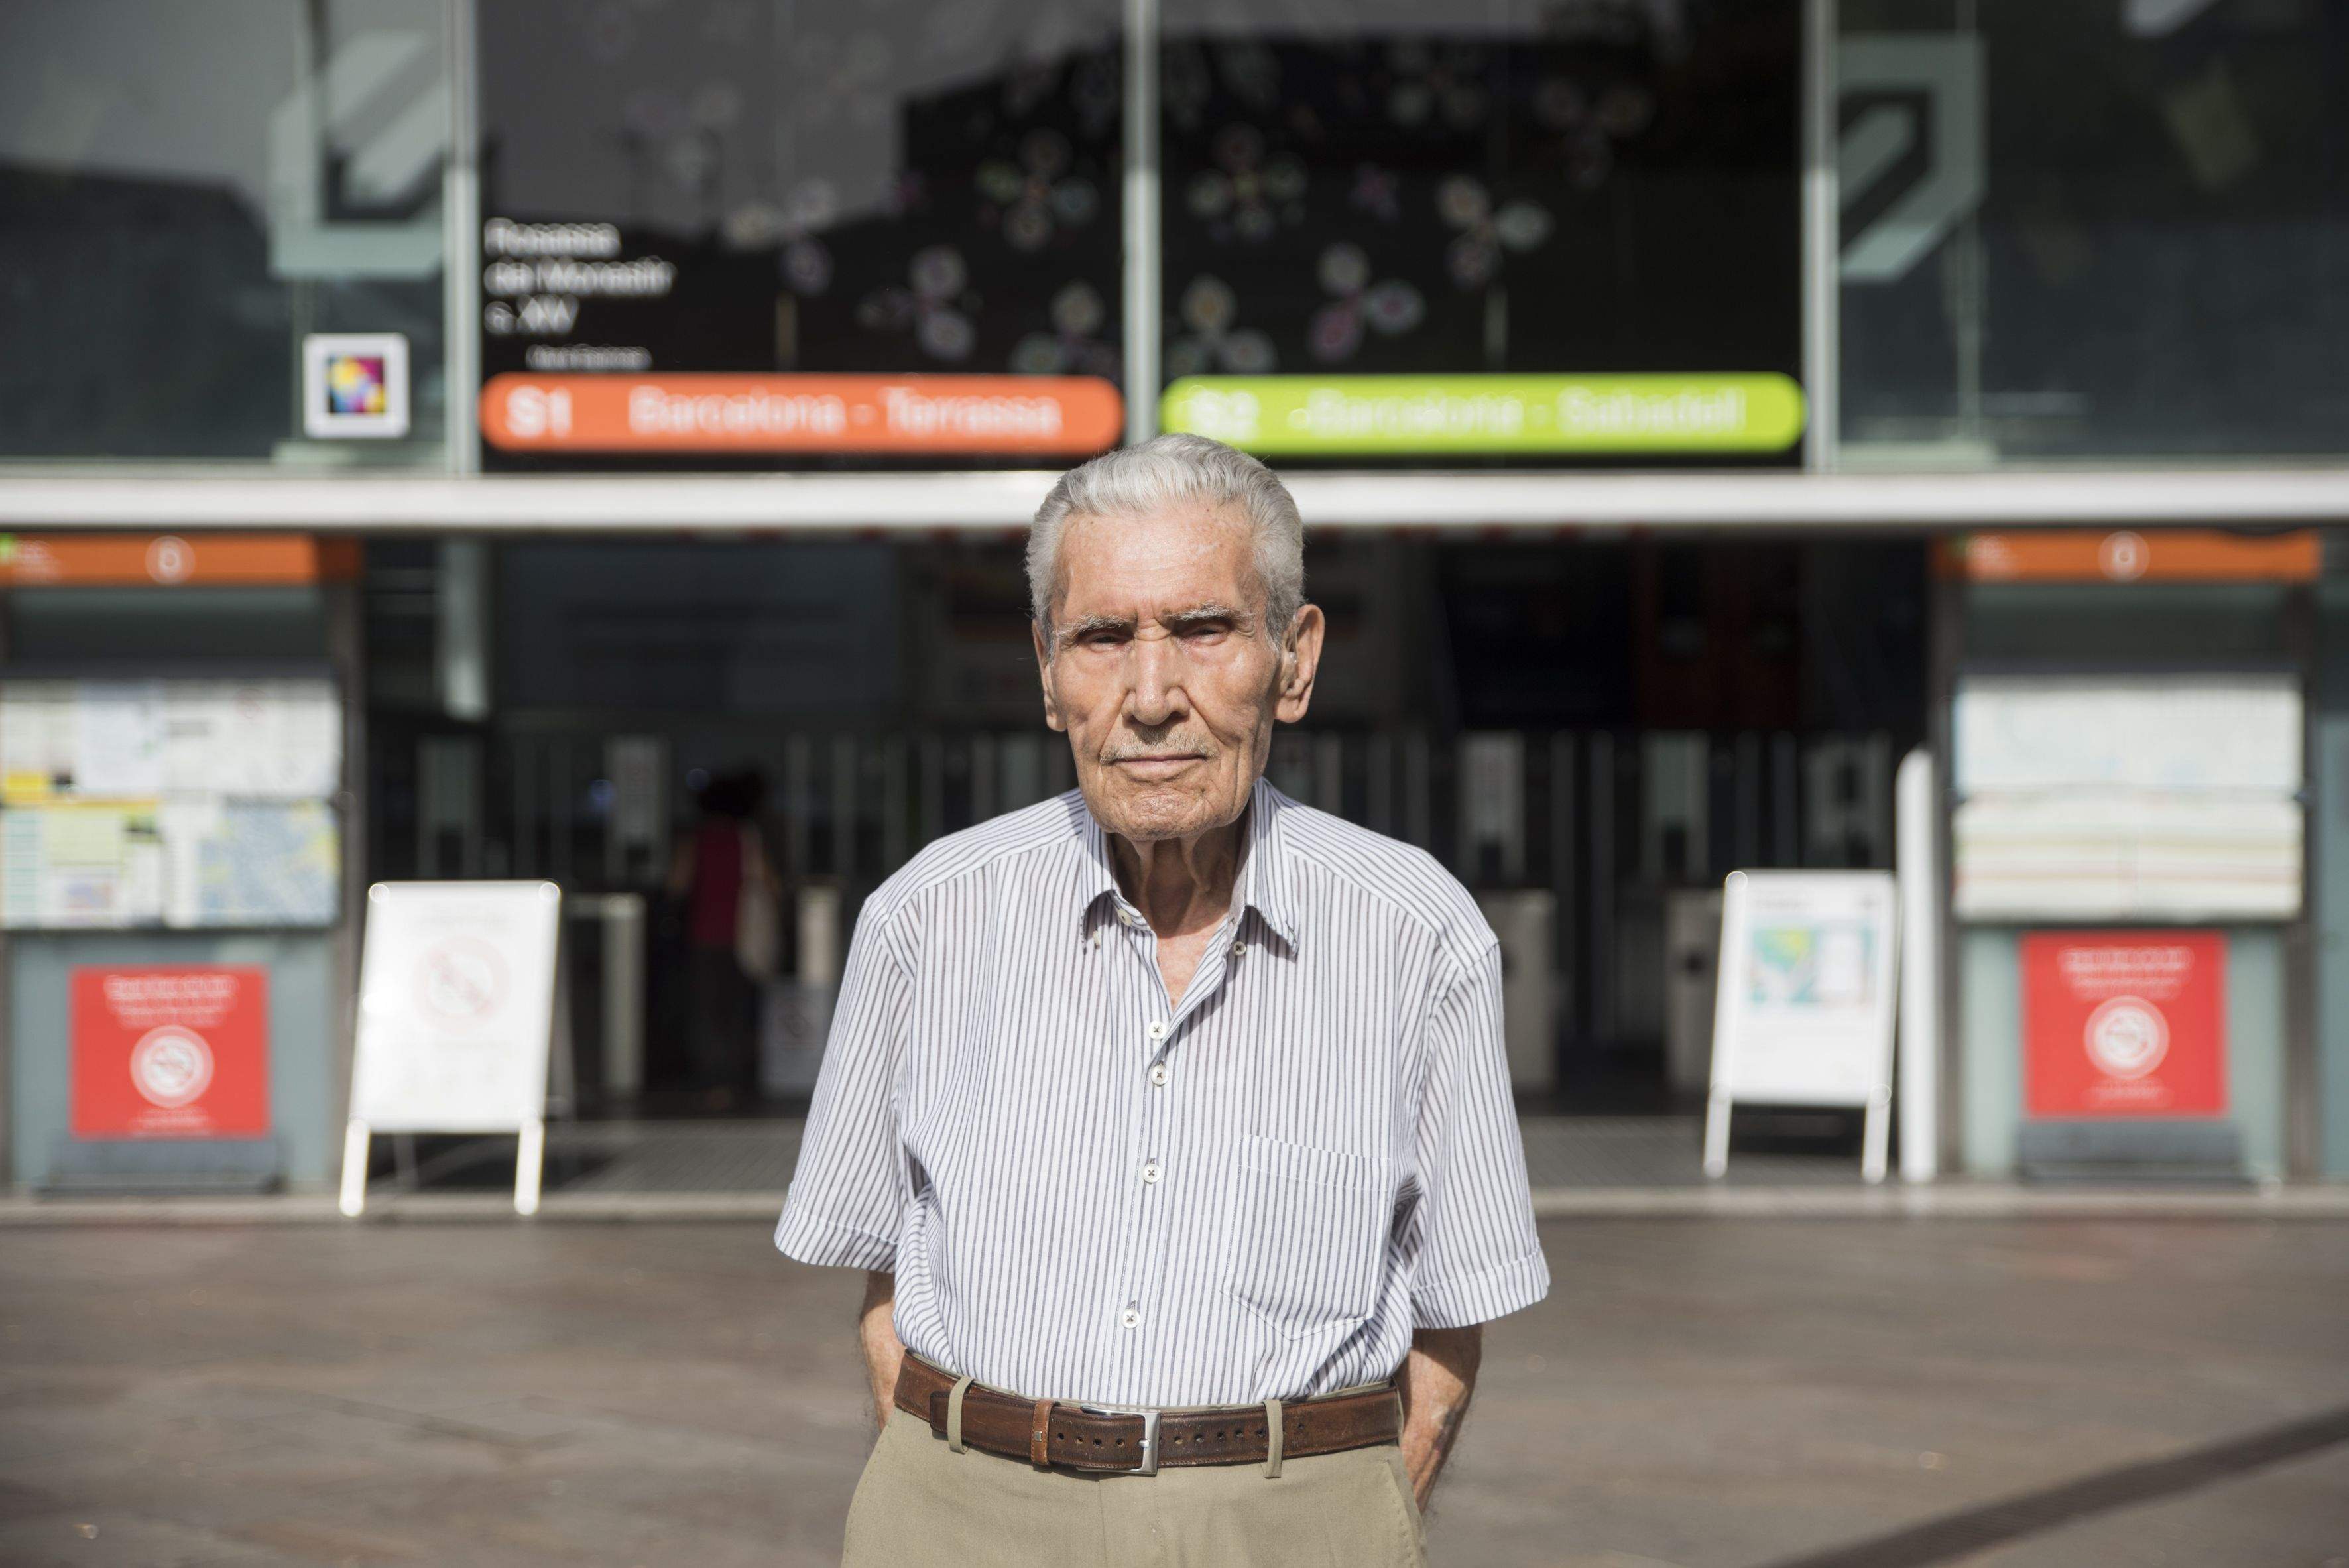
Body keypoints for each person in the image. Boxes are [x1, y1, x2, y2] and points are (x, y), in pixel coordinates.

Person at [774, 434, 1546, 1565]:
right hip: (964, 1518)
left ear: (1292, 658)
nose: (1148, 697)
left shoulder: (1413, 931)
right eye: (1101, 637)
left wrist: (1337, 1523)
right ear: (1047, 670)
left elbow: (1451, 1314)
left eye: (1201, 630)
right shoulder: (925, 918)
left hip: (1288, 1524)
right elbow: (881, 1276)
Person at [664, 767, 778, 1109]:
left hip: (704, 934)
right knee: (737, 1009)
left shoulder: (695, 838)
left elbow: (677, 884)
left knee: (707, 1010)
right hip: (743, 936)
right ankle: (735, 1078)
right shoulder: (748, 838)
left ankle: (712, 1080)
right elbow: (771, 884)